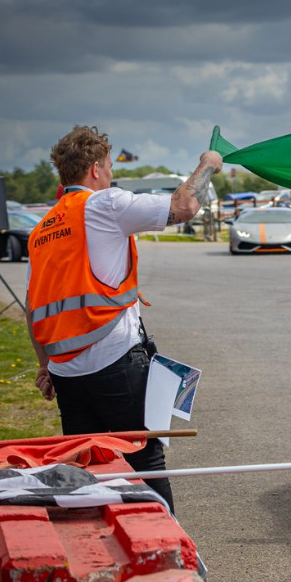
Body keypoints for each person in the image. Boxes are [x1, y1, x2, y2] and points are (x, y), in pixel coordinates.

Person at [27, 126, 221, 513]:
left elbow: (34, 308)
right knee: (145, 462)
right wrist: (208, 165)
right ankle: (166, 544)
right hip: (114, 360)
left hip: (66, 373)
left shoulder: (43, 229)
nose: (111, 174)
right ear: (96, 169)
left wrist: (46, 365)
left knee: (88, 470)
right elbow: (183, 207)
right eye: (110, 167)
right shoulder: (105, 205)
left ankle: (97, 544)